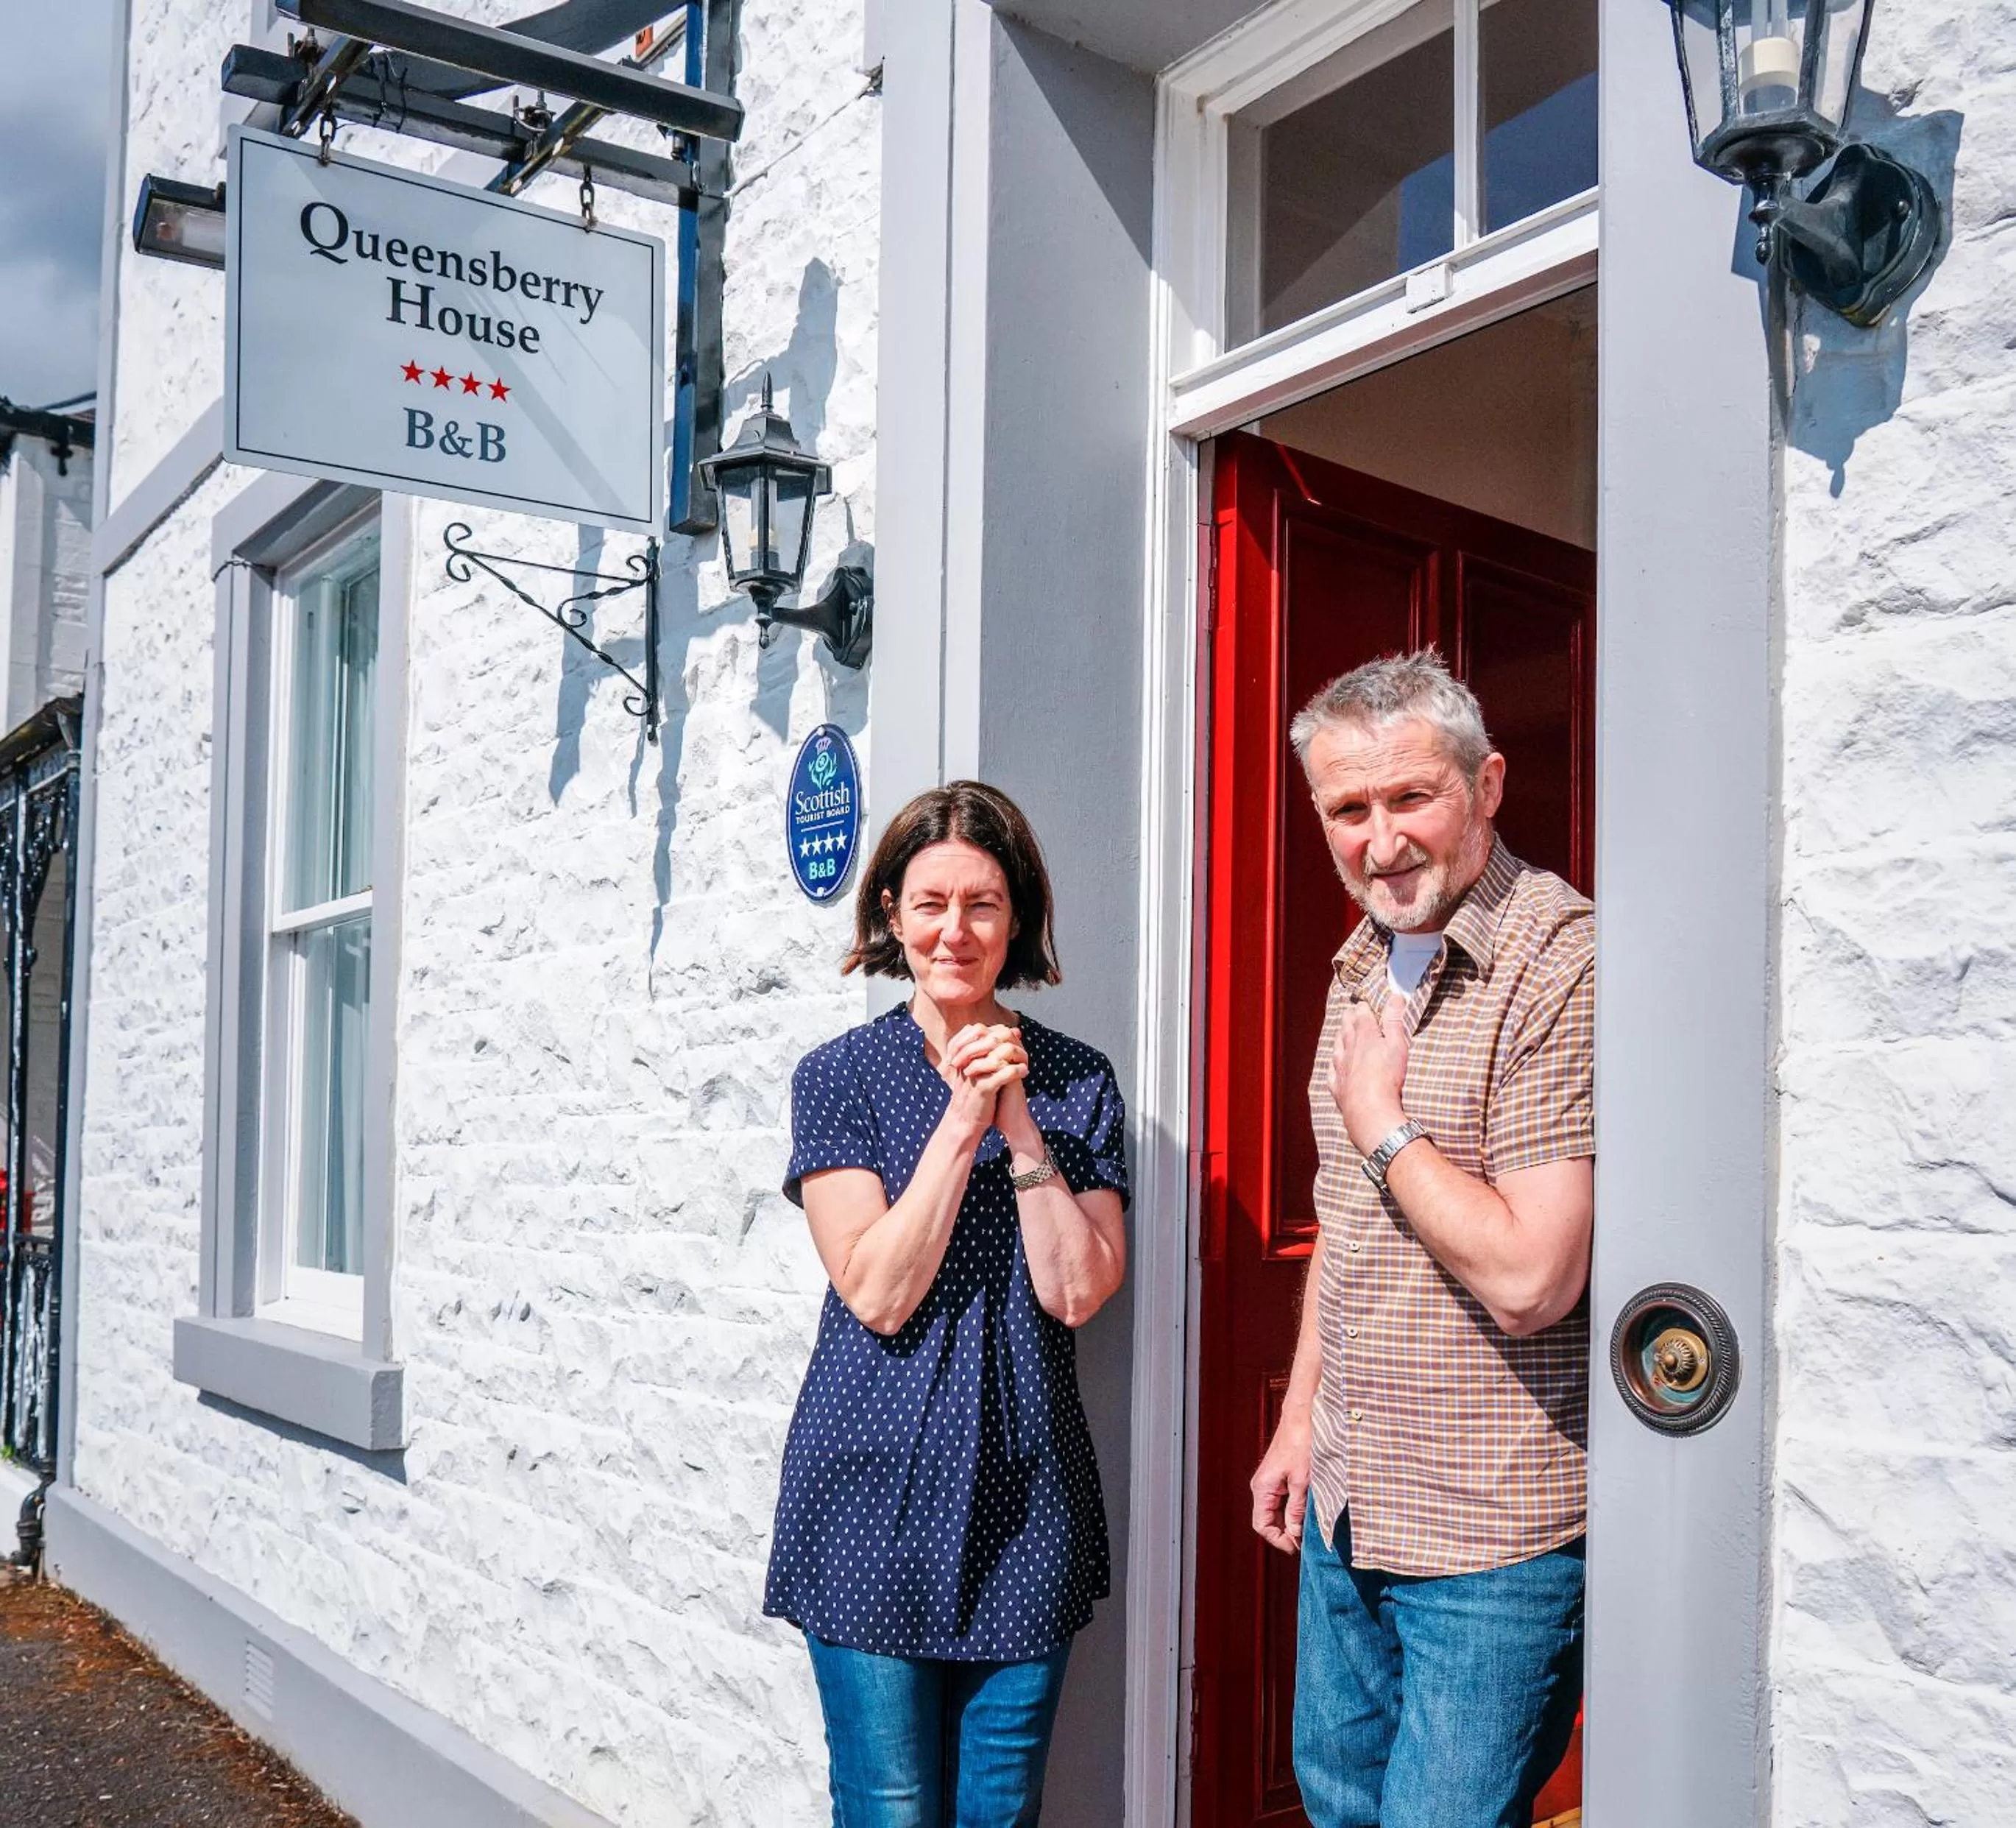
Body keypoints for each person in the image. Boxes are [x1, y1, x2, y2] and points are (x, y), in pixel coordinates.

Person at [1249, 652, 1594, 1828]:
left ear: (1486, 784)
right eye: (1348, 809)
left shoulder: (1561, 963)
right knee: (1336, 1800)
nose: (1379, 840)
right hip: (1352, 1506)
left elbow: (1531, 1277)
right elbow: (1346, 1222)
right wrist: (1300, 1419)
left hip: (1490, 1534)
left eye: (1411, 798)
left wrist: (1384, 1124)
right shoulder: (1360, 964)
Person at [766, 780, 1130, 1827]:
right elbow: (877, 1291)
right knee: (888, 1807)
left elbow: (1076, 1290)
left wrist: (1018, 1123)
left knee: (1001, 1809)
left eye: (981, 903)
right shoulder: (839, 1076)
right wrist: (959, 1118)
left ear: (1017, 918)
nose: (954, 930)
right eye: (928, 902)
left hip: (1024, 1499)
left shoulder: (1073, 1081)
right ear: (890, 911)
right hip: (867, 1495)